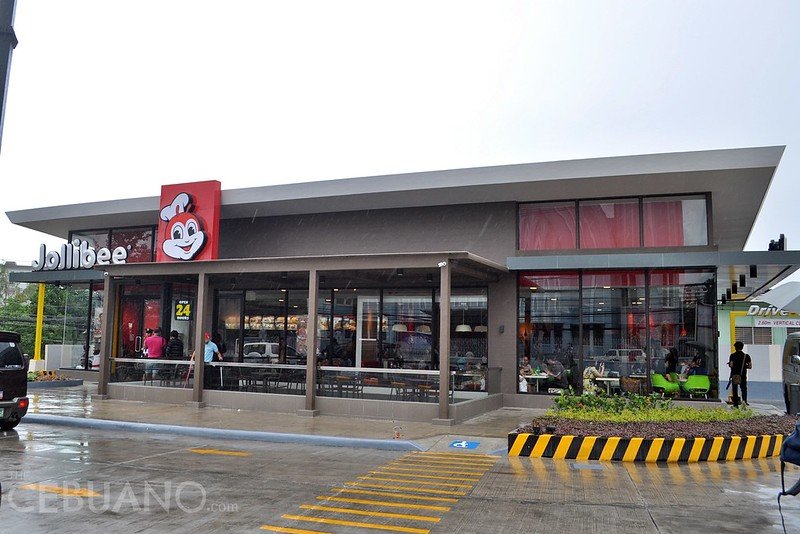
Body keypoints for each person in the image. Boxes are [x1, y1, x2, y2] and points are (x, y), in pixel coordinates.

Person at [728, 341, 752, 408]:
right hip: (743, 375)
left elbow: (731, 365)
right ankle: (744, 403)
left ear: (735, 347)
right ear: (742, 347)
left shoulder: (732, 355)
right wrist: (744, 366)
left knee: (735, 389)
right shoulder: (746, 356)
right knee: (744, 389)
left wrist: (731, 365)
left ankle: (735, 405)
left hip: (735, 375)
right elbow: (750, 366)